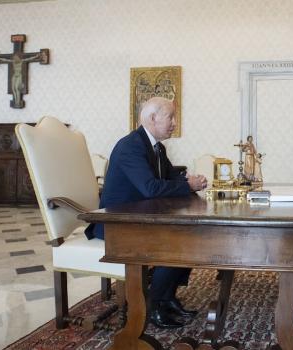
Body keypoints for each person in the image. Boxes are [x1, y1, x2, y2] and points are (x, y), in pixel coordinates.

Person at [85, 97, 208, 329]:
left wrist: (190, 180)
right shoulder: (130, 146)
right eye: (170, 117)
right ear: (152, 118)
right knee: (176, 243)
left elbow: (171, 177)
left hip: (137, 220)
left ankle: (167, 298)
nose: (174, 122)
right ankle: (152, 306)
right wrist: (187, 186)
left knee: (191, 237)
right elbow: (150, 188)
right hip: (115, 224)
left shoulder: (156, 147)